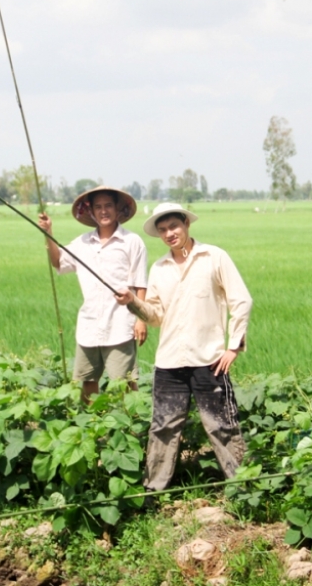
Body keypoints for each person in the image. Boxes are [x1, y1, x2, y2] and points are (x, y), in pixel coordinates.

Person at [114, 202, 252, 491]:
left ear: (186, 224)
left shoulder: (214, 257)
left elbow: (241, 300)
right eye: (163, 230)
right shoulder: (159, 268)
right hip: (170, 363)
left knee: (222, 426)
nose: (169, 234)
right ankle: (153, 491)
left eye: (174, 226)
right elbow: (155, 316)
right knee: (163, 429)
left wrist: (233, 347)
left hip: (210, 360)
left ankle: (243, 488)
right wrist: (133, 303)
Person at [39, 186, 148, 402]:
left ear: (118, 209)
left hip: (120, 324)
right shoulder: (82, 243)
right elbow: (58, 262)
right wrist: (48, 232)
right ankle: (91, 420)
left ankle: (132, 421)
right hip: (89, 325)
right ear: (91, 212)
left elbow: (140, 283)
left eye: (108, 205)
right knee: (87, 380)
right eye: (98, 207)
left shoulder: (132, 241)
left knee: (124, 383)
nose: (103, 211)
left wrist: (141, 319)